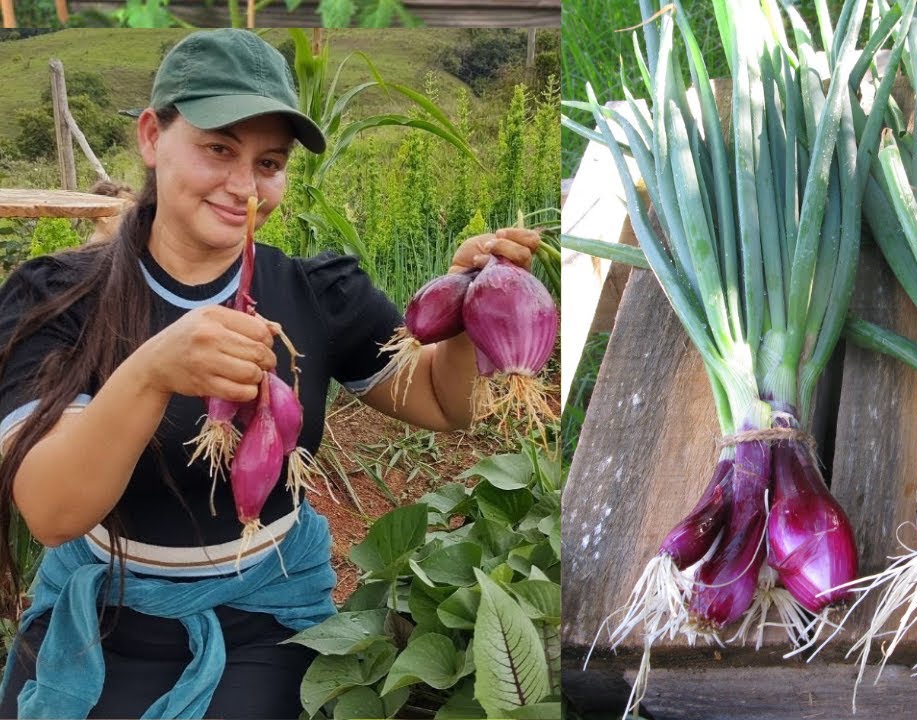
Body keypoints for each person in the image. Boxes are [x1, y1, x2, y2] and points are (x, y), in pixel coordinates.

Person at [0, 29, 540, 719]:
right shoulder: (60, 298)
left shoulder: (317, 294)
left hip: (266, 609)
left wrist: (464, 308)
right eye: (218, 148)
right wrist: (152, 372)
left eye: (269, 161)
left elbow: (442, 402)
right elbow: (52, 512)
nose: (244, 185)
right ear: (150, 137)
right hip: (104, 611)